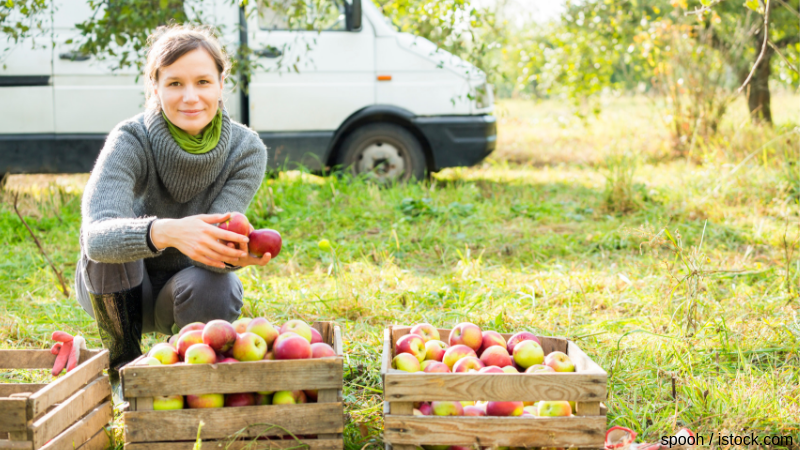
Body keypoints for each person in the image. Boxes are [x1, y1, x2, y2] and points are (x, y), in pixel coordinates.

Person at [74, 24, 270, 387]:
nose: (190, 97)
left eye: (203, 82)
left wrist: (232, 255)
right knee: (111, 245)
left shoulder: (246, 151)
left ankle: (189, 378)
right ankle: (123, 370)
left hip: (185, 286)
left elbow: (214, 245)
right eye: (175, 83)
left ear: (221, 84)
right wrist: (165, 231)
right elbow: (96, 239)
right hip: (118, 287)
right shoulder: (130, 140)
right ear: (155, 87)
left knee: (219, 284)